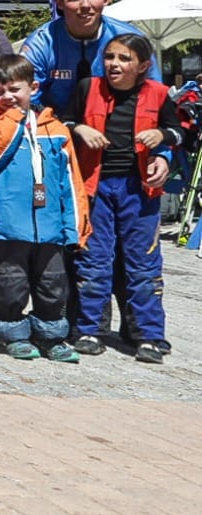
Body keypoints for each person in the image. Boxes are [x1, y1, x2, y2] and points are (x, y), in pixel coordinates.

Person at [0, 54, 87, 363]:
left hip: (51, 225)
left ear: (33, 88)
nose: (7, 96)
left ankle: (51, 335)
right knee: (10, 285)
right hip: (7, 225)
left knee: (53, 285)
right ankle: (12, 334)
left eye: (14, 89)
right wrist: (11, 120)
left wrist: (76, 225)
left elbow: (71, 180)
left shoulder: (56, 129)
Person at [69, 33, 179, 362]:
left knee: (143, 264)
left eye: (123, 59)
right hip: (96, 188)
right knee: (93, 261)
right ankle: (89, 330)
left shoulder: (159, 93)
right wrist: (79, 128)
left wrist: (161, 135)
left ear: (143, 66)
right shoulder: (87, 87)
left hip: (139, 190)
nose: (114, 64)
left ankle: (150, 336)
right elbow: (63, 120)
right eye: (110, 57)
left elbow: (178, 132)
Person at [24, 0, 160, 115]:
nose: (85, 5)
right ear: (59, 2)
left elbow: (154, 94)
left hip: (116, 123)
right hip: (53, 124)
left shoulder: (130, 39)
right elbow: (25, 99)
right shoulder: (41, 43)